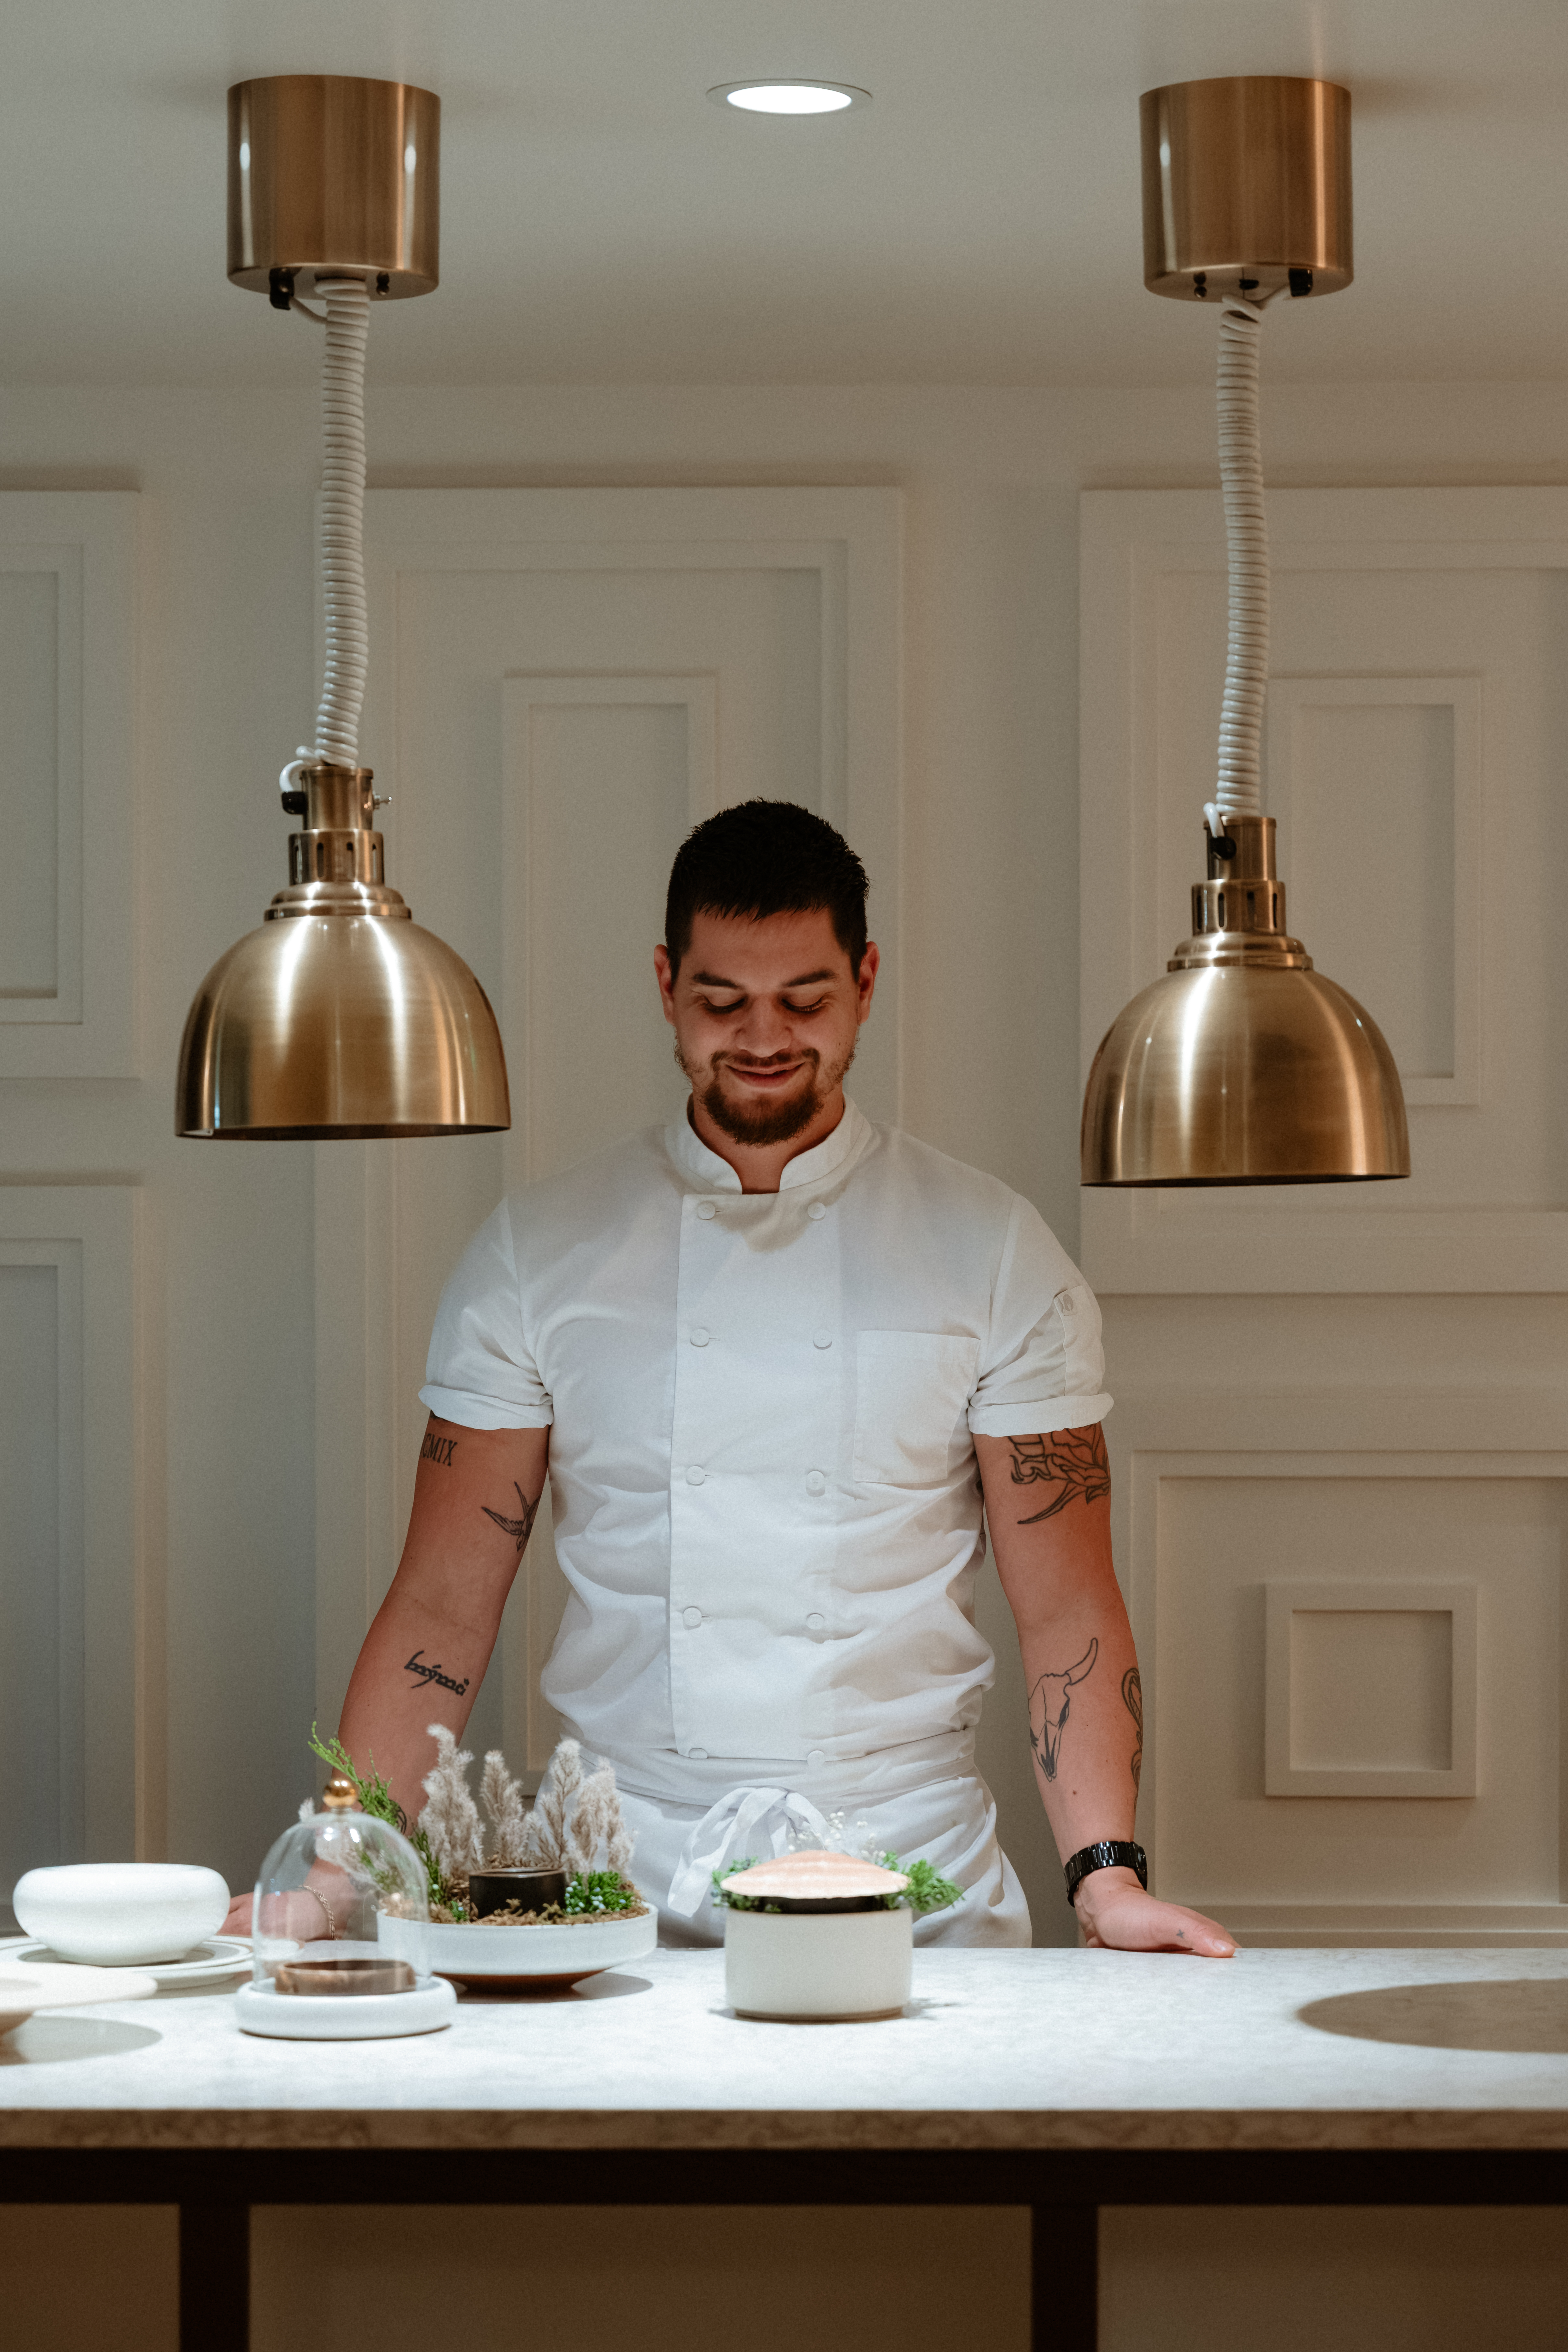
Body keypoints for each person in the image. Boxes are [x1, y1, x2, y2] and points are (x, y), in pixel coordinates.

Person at [300, 801, 1234, 1956]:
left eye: (805, 999)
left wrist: (1107, 1881)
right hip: (620, 1878)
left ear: (867, 980)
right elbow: (440, 1604)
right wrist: (346, 1868)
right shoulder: (536, 1257)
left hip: (913, 1868)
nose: (763, 1036)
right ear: (664, 984)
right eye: (722, 1001)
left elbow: (1068, 1610)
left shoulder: (993, 1252)